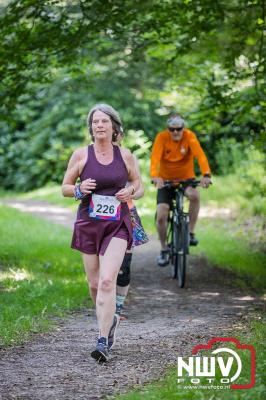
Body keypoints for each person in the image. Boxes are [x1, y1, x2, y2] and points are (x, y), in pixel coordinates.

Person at [62, 103, 139, 362]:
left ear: (114, 126)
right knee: (94, 284)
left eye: (104, 121)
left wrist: (131, 192)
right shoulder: (81, 155)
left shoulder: (125, 155)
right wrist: (79, 189)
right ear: (91, 128)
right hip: (88, 223)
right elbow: (65, 186)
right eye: (95, 122)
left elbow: (138, 184)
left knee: (108, 281)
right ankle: (110, 320)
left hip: (118, 223)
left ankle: (102, 339)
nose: (99, 126)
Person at [150, 114, 211, 267]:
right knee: (162, 214)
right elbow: (155, 158)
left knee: (195, 195)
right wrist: (154, 176)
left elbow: (200, 155)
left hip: (186, 178)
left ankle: (190, 233)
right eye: (172, 129)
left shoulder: (189, 136)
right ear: (168, 129)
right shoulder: (162, 137)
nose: (176, 132)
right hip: (166, 180)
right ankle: (164, 249)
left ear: (184, 128)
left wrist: (206, 174)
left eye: (179, 129)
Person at [114, 132, 148, 318]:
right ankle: (104, 305)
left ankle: (118, 307)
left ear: (121, 135)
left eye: (116, 133)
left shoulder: (129, 156)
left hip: (127, 213)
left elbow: (141, 188)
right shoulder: (90, 155)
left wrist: (130, 193)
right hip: (100, 218)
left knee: (124, 266)